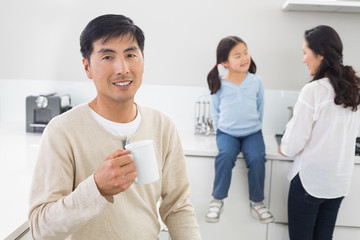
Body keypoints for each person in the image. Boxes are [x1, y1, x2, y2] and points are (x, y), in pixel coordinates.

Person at [28, 14, 202, 240]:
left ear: (142, 60)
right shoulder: (62, 131)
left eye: (130, 55)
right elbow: (41, 229)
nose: (122, 68)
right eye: (108, 57)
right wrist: (96, 188)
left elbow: (178, 209)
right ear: (87, 67)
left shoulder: (162, 126)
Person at [279, 25, 360, 240]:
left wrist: (284, 145)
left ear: (321, 54)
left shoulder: (314, 90)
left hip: (310, 183)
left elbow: (290, 146)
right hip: (338, 184)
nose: (304, 59)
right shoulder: (354, 89)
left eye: (305, 53)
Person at [205, 36, 274, 224]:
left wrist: (254, 127)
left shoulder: (256, 81)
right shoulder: (219, 83)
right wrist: (222, 130)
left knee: (258, 158)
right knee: (225, 156)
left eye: (246, 52)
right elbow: (216, 111)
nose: (244, 58)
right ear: (225, 62)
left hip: (252, 133)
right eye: (237, 55)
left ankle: (257, 203)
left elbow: (260, 107)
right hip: (227, 133)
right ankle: (217, 200)